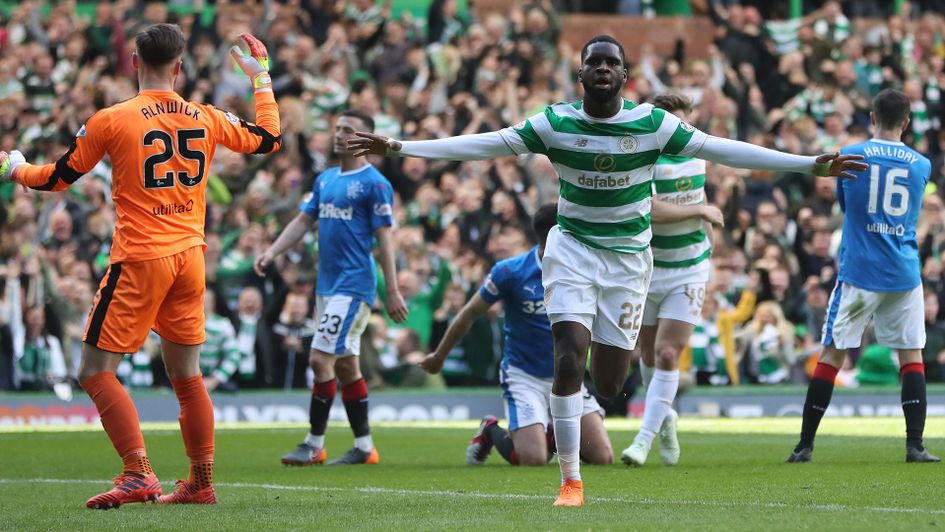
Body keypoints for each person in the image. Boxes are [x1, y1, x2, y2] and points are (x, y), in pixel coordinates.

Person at [346, 34, 866, 506]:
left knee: (611, 382)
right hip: (572, 251)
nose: (602, 68)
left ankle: (597, 406)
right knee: (568, 357)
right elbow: (484, 144)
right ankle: (570, 482)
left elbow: (724, 150)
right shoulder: (556, 124)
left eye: (611, 62)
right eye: (593, 62)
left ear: (624, 76)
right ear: (581, 74)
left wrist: (808, 163)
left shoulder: (652, 125)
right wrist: (400, 146)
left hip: (628, 261)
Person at [0, 24, 281, 508]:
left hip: (141, 258)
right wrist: (261, 79)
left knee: (94, 370)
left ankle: (138, 472)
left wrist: (15, 169)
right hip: (190, 258)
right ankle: (200, 482)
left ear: (133, 62)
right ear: (179, 68)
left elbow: (57, 179)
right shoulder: (206, 116)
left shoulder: (112, 119)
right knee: (188, 378)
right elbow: (269, 138)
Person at [787, 89, 940, 464]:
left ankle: (805, 445)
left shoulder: (851, 154)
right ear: (906, 122)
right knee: (911, 355)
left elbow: (846, 205)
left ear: (872, 117)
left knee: (832, 354)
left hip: (860, 270)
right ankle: (915, 446)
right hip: (904, 272)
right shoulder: (922, 165)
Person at [254, 109, 408, 466]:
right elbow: (302, 222)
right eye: (337, 129)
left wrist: (392, 289)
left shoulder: (375, 184)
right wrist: (273, 252)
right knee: (346, 367)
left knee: (319, 358)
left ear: (365, 139)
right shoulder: (325, 180)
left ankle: (314, 443)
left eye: (348, 130)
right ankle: (365, 447)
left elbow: (386, 239)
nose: (338, 135)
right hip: (327, 287)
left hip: (354, 287)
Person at [419, 204, 613, 467]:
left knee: (603, 457)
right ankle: (491, 430)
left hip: (568, 375)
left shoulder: (584, 270)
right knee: (533, 459)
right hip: (525, 376)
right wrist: (439, 356)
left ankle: (549, 432)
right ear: (558, 234)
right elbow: (470, 312)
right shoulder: (511, 272)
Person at [623, 92, 725, 467]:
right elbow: (649, 210)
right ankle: (665, 418)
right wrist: (701, 211)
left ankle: (643, 439)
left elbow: (697, 194)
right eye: (677, 123)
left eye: (687, 122)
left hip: (689, 268)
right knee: (648, 354)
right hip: (649, 267)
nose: (684, 129)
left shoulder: (698, 155)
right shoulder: (645, 161)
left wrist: (709, 240)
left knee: (668, 353)